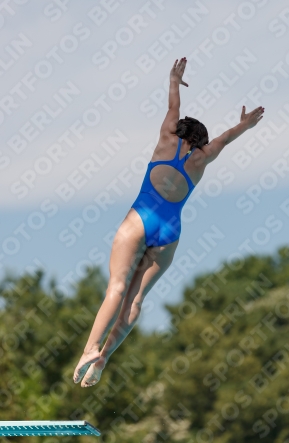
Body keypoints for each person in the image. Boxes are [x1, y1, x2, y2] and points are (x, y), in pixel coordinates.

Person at [73, 57, 265, 387]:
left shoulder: (166, 138)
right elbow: (226, 138)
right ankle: (103, 358)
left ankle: (90, 347)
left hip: (141, 220)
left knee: (117, 287)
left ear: (178, 131)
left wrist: (174, 79)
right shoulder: (203, 159)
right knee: (134, 300)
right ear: (201, 143)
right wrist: (245, 124)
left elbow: (173, 104)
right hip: (169, 233)